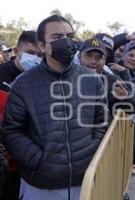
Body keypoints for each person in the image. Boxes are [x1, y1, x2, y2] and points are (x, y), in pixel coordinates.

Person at [1, 15, 108, 200]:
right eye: (57, 38)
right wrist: (40, 160)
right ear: (42, 46)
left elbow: (101, 124)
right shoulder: (23, 84)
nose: (66, 42)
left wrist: (88, 153)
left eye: (70, 36)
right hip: (40, 186)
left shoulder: (93, 81)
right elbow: (12, 131)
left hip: (83, 182)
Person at [0, 30, 41, 200]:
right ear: (16, 51)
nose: (35, 58)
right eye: (30, 53)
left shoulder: (39, 81)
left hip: (24, 163)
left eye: (39, 55)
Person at [78, 38, 135, 116]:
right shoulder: (69, 76)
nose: (93, 61)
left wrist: (126, 98)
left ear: (105, 60)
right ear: (79, 57)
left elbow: (133, 108)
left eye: (99, 57)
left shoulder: (112, 81)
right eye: (89, 56)